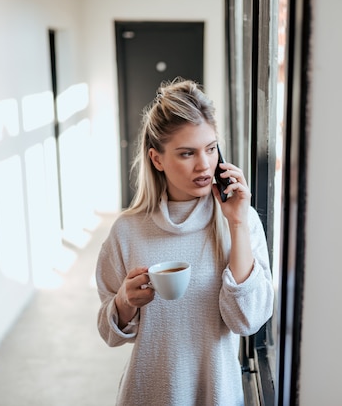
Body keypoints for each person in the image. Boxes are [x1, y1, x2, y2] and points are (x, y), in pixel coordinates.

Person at [95, 78, 274, 406]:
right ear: (157, 159)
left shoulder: (241, 220)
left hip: (217, 395)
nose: (204, 164)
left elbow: (247, 320)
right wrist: (123, 302)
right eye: (187, 153)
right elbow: (109, 333)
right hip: (147, 394)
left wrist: (236, 221)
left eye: (210, 148)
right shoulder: (127, 231)